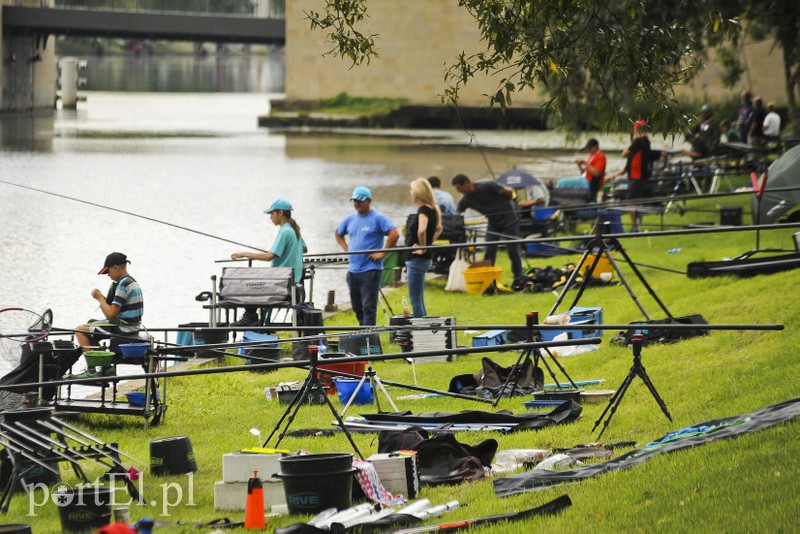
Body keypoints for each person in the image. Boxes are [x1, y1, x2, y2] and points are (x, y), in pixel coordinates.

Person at [230, 198, 306, 327]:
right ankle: (253, 318)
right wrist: (281, 251)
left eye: (272, 213)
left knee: (249, 285)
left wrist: (243, 254)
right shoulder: (294, 230)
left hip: (282, 284)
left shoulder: (285, 231)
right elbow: (304, 248)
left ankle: (250, 317)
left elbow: (269, 257)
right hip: (292, 281)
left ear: (280, 213)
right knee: (254, 282)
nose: (270, 217)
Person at [72, 252, 144, 378]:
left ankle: (92, 371)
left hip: (122, 329)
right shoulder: (132, 282)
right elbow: (115, 310)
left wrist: (99, 298)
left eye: (108, 272)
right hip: (132, 327)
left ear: (115, 268)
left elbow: (111, 313)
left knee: (79, 330)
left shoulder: (123, 285)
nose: (109, 276)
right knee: (89, 327)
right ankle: (105, 367)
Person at [335, 186, 399, 326]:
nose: (357, 203)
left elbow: (394, 234)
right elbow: (338, 233)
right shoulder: (350, 219)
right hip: (353, 270)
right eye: (355, 201)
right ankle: (364, 333)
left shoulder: (378, 218)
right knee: (357, 307)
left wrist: (382, 252)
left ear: (369, 201)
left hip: (370, 270)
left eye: (360, 201)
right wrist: (347, 249)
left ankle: (368, 335)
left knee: (368, 307)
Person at [451, 173, 524, 282]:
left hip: (510, 219)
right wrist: (456, 221)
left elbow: (509, 193)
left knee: (513, 250)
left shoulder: (487, 185)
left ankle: (518, 277)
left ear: (466, 183)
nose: (458, 191)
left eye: (459, 188)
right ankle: (488, 280)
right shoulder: (466, 199)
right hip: (493, 223)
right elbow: (458, 211)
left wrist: (511, 194)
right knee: (489, 250)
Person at [405, 179, 443, 317]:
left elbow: (421, 230)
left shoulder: (423, 210)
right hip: (423, 260)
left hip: (417, 259)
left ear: (418, 193)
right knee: (419, 298)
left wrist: (422, 248)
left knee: (415, 299)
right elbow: (439, 229)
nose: (411, 193)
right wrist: (427, 244)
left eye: (412, 191)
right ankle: (424, 325)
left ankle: (419, 328)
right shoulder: (432, 209)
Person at [611, 120, 653, 232]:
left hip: (636, 177)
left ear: (636, 129)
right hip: (639, 176)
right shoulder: (646, 141)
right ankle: (638, 226)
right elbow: (629, 162)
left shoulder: (639, 141)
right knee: (638, 201)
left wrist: (626, 149)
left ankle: (636, 226)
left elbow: (624, 154)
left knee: (630, 201)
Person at [575, 138, 607, 202]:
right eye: (588, 148)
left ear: (596, 146)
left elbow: (597, 173)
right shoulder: (591, 156)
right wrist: (579, 165)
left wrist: (585, 162)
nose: (589, 150)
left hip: (593, 184)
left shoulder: (601, 157)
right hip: (586, 182)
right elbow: (584, 172)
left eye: (590, 148)